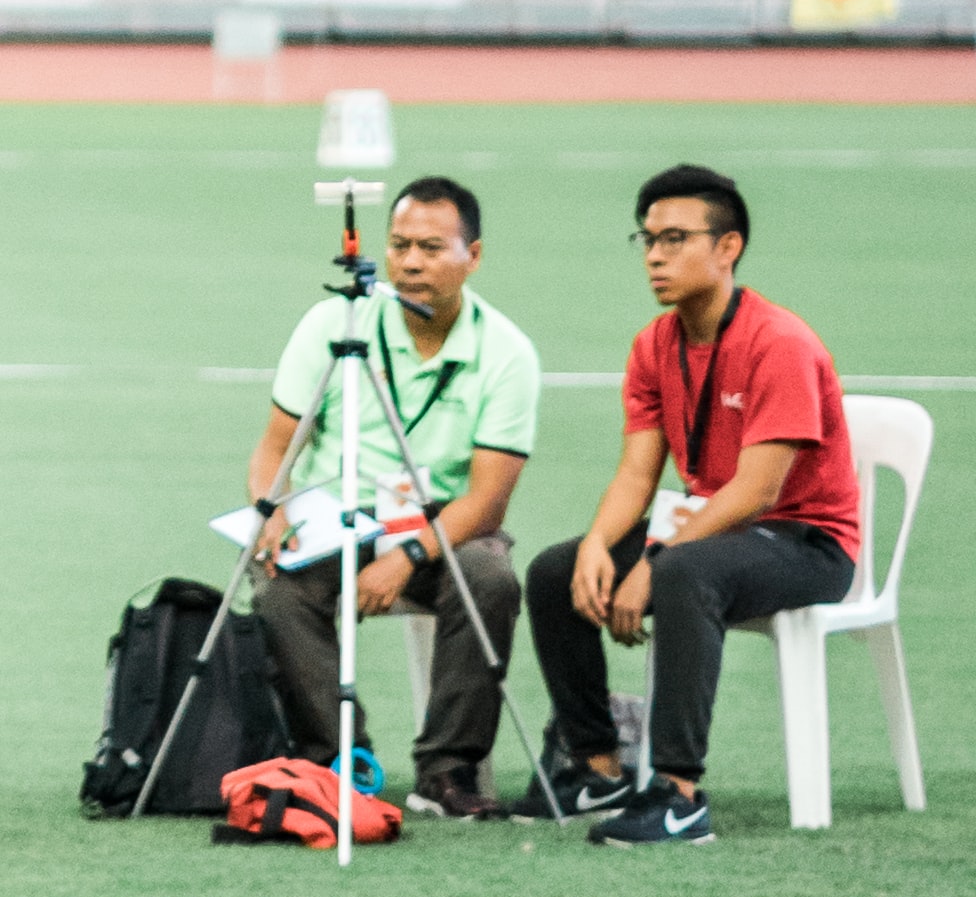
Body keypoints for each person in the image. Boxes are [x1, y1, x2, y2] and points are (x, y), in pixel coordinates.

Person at [523, 164, 863, 847]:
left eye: (675, 238)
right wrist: (597, 545)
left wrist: (655, 558)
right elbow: (637, 473)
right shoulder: (654, 345)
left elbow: (757, 491)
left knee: (683, 573)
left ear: (728, 247)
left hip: (805, 544)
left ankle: (679, 795)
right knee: (555, 573)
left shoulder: (781, 344)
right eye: (646, 239)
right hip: (710, 532)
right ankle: (599, 766)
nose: (655, 255)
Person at [241, 176, 539, 820]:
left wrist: (404, 554)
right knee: (277, 591)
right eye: (399, 244)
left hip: (443, 526)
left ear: (473, 256)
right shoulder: (334, 322)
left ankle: (449, 771)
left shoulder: (507, 354)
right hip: (335, 519)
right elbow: (273, 450)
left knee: (489, 578)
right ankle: (339, 762)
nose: (409, 262)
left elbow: (487, 502)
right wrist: (274, 511)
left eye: (431, 247)